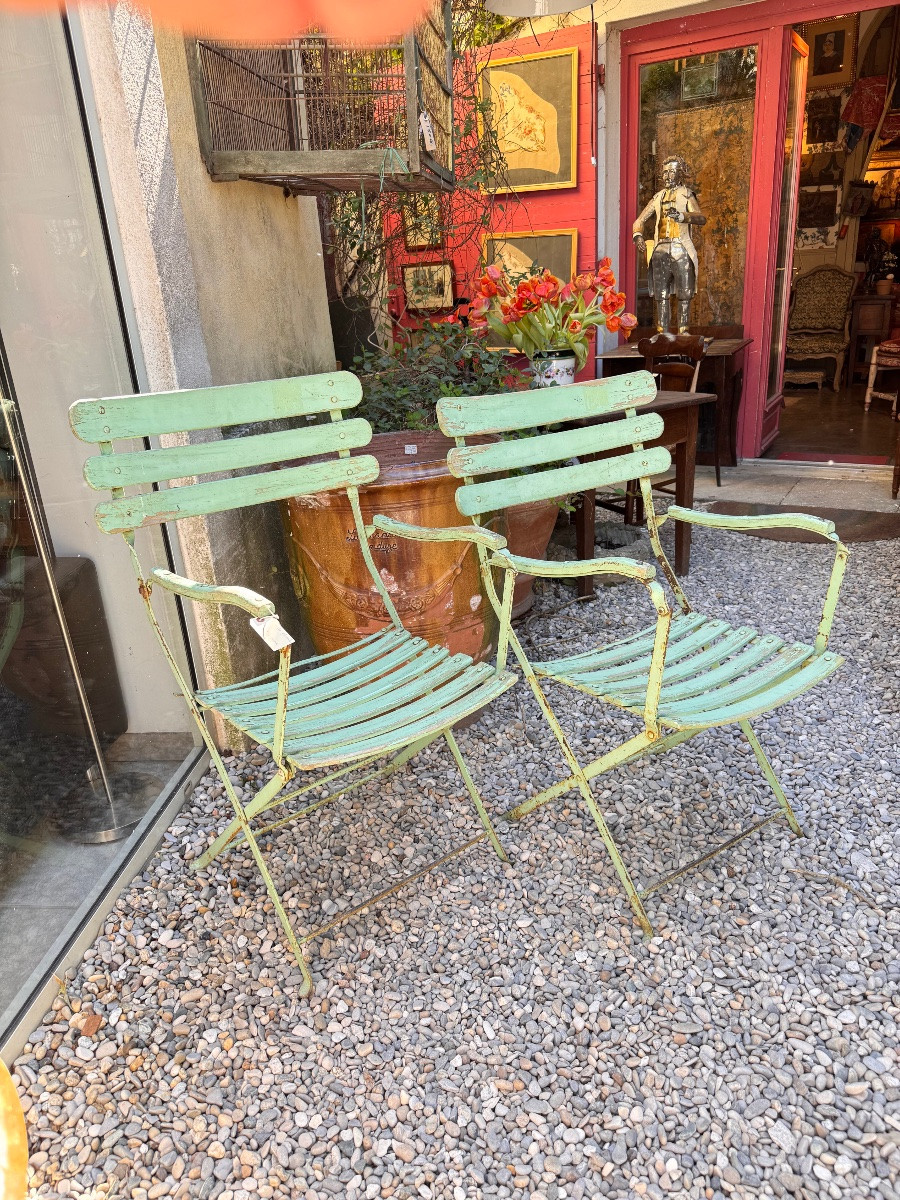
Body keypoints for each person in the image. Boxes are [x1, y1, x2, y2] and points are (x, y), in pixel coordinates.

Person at [632, 155, 707, 333]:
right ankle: (662, 332)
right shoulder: (658, 197)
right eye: (665, 172)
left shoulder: (686, 194)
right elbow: (640, 220)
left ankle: (683, 330)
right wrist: (638, 235)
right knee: (661, 294)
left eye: (671, 172)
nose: (667, 176)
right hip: (661, 249)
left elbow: (701, 217)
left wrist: (682, 216)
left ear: (679, 174)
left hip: (681, 247)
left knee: (685, 291)